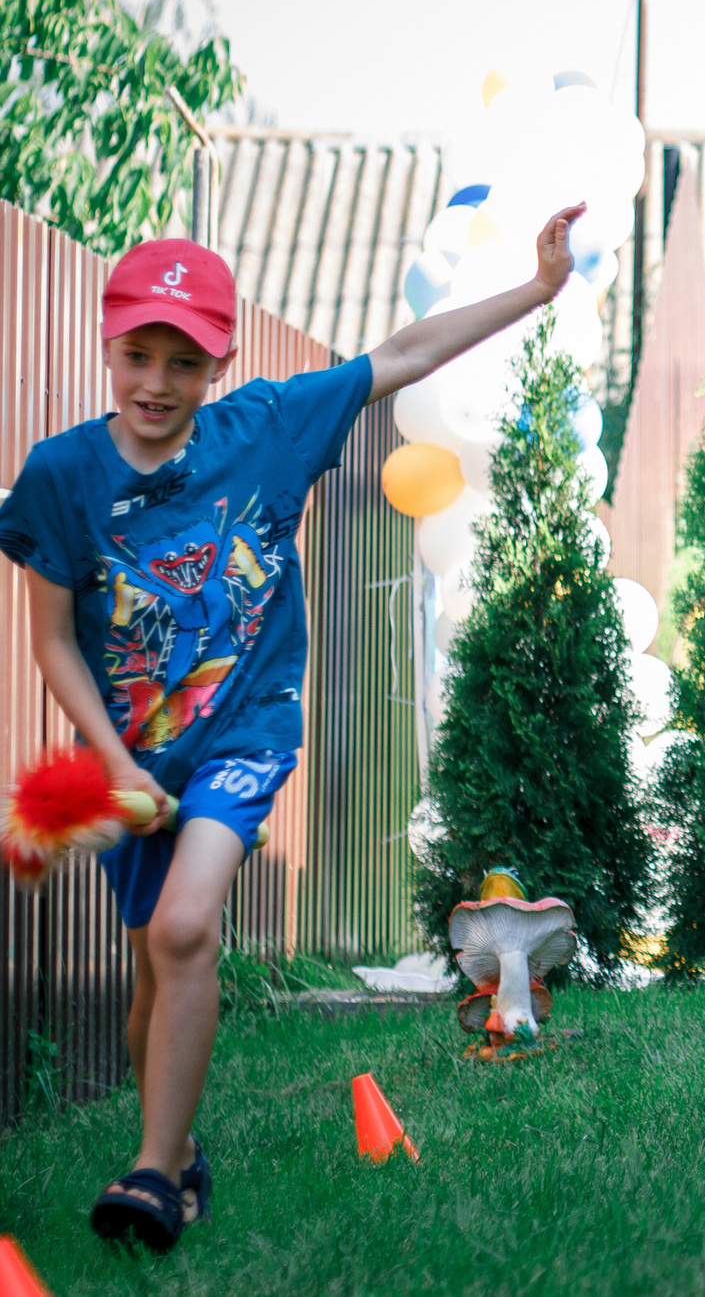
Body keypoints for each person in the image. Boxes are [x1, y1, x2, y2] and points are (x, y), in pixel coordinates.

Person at [0, 209, 585, 1252]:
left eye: (184, 361)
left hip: (244, 734)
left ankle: (145, 1174)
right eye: (138, 354)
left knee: (186, 929)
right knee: (151, 969)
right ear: (107, 342)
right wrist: (116, 759)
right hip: (136, 753)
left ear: (218, 363)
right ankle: (174, 1159)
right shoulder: (62, 476)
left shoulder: (268, 427)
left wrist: (536, 293)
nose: (156, 382)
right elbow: (51, 641)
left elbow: (402, 353)